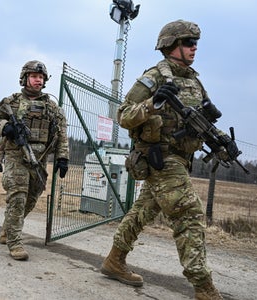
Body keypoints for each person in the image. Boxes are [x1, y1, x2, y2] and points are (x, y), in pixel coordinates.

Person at [99, 20, 235, 300]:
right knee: (188, 213)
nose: (194, 47)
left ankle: (114, 260)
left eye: (195, 42)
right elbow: (123, 115)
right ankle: (203, 286)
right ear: (171, 45)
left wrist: (223, 141)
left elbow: (205, 119)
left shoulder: (194, 81)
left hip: (181, 159)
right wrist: (153, 103)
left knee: (142, 212)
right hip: (160, 157)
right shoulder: (153, 78)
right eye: (188, 42)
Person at [0, 60, 69, 261]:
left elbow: (62, 133)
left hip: (39, 159)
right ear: (25, 78)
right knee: (18, 196)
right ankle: (14, 241)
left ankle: (8, 228)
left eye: (41, 77)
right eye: (34, 76)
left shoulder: (52, 108)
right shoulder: (12, 102)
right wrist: (6, 127)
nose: (38, 80)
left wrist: (62, 157)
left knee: (32, 198)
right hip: (16, 156)